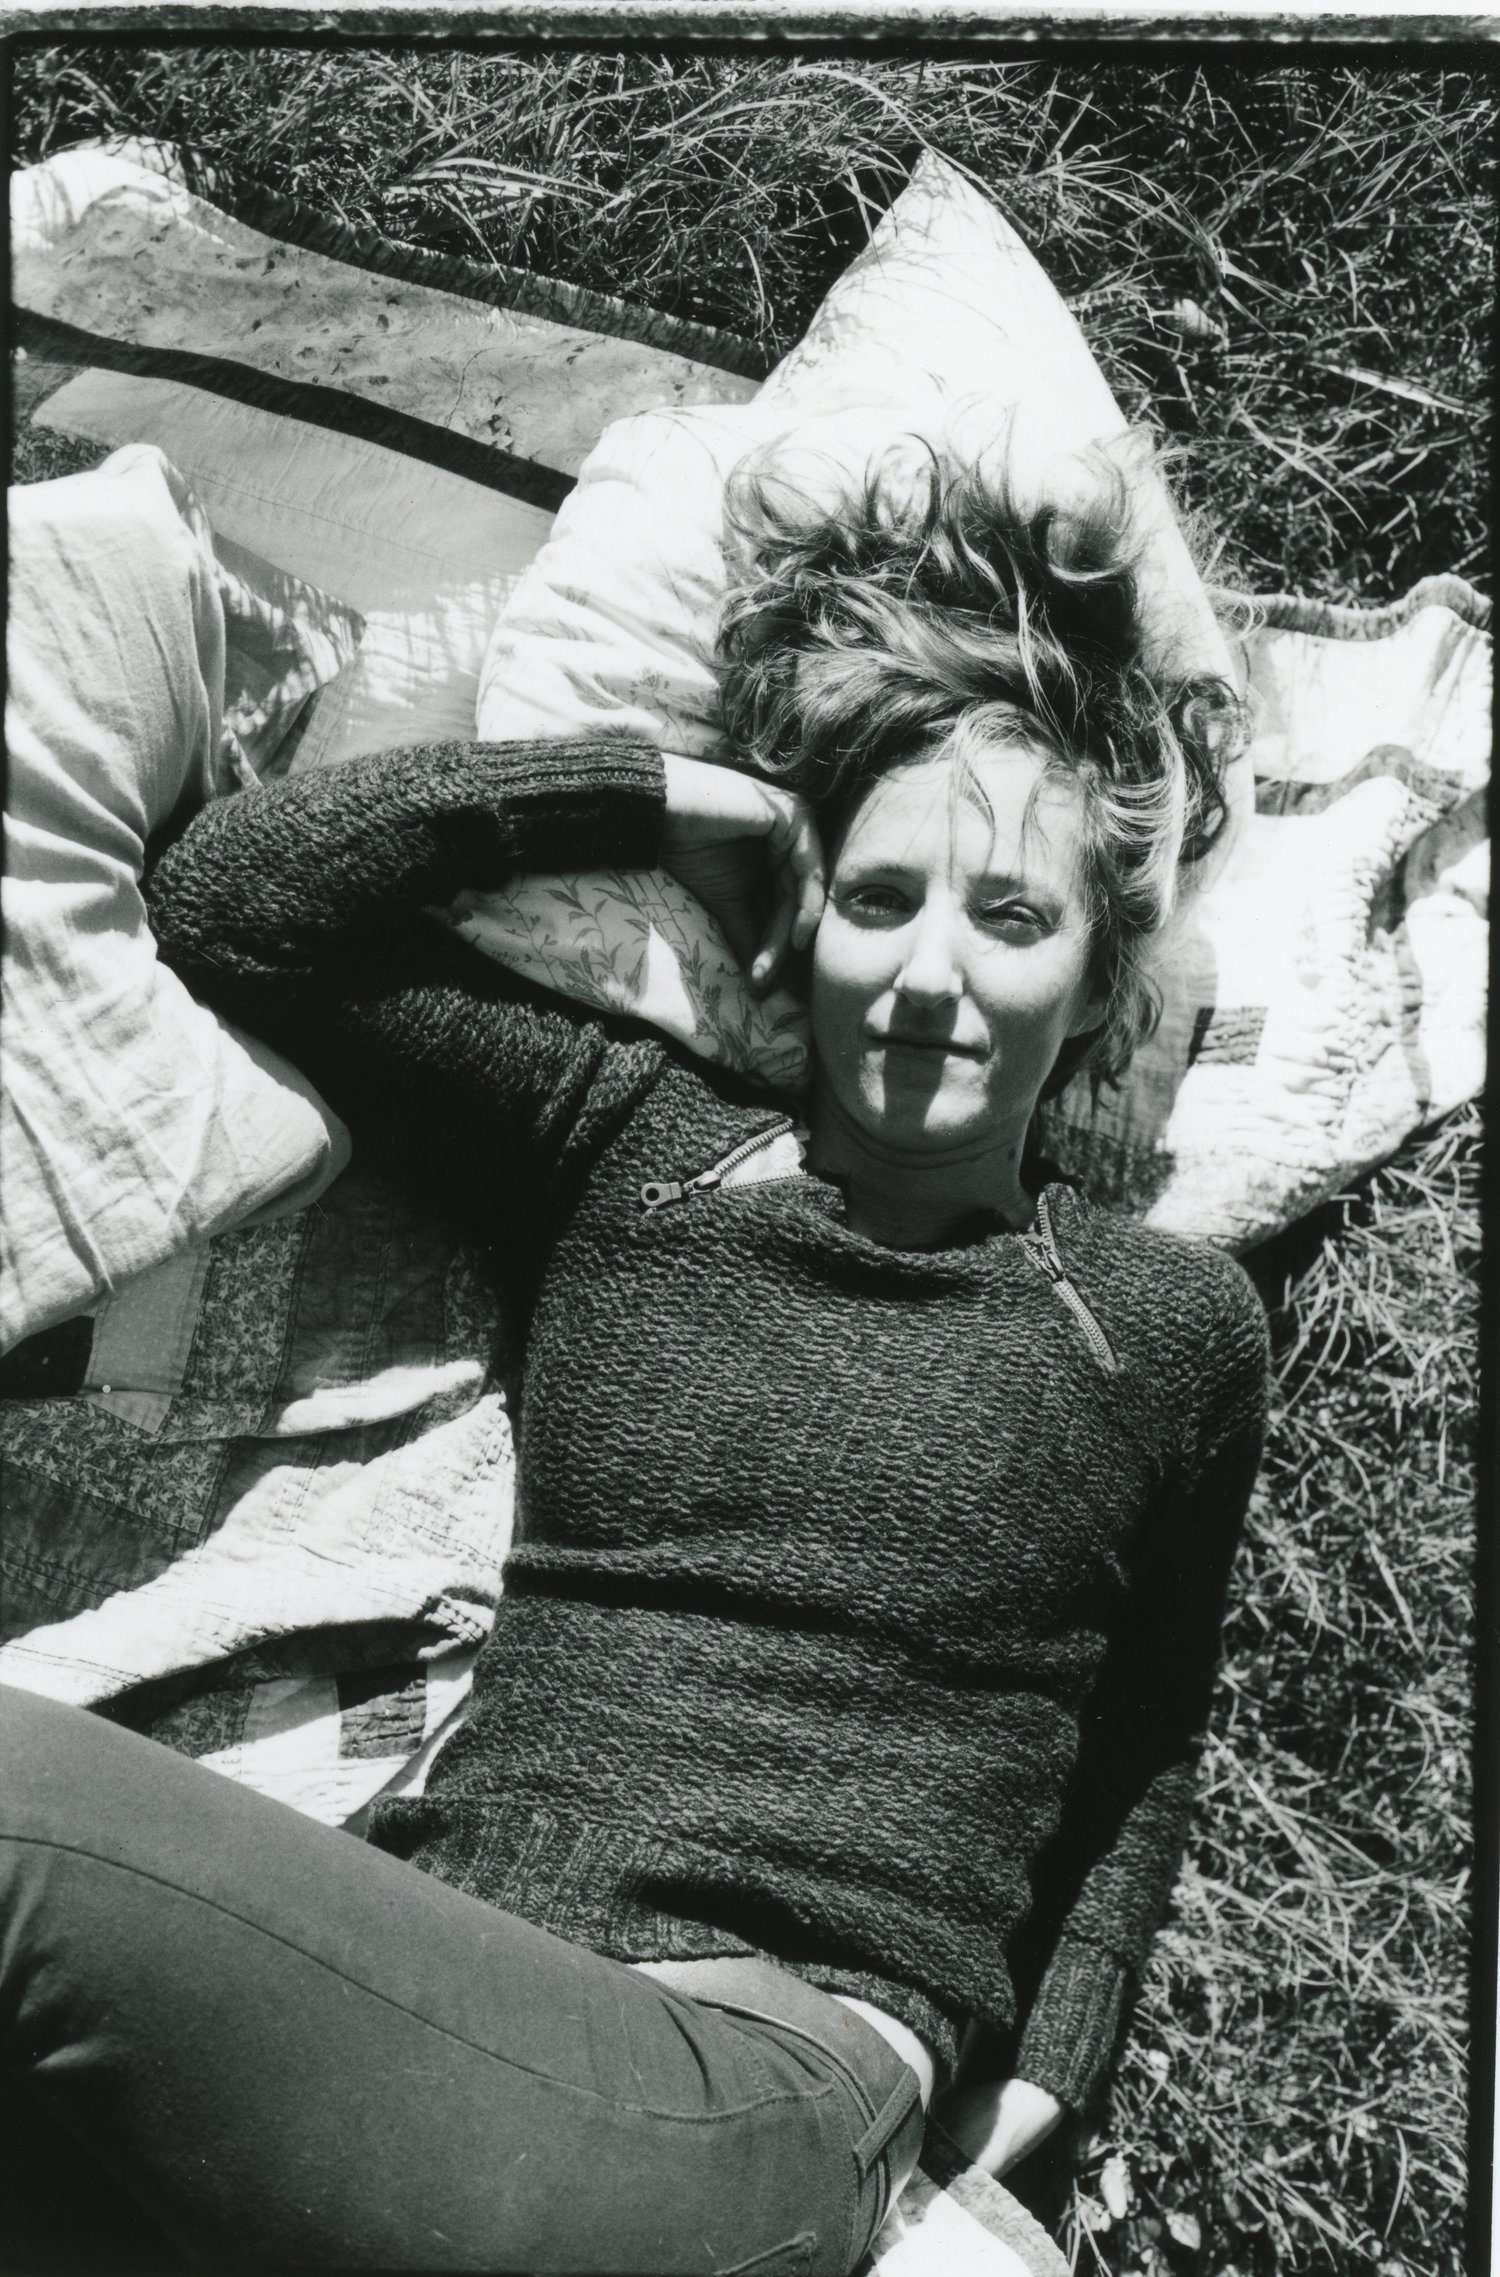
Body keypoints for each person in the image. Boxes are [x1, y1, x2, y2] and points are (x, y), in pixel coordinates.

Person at [0, 441, 1269, 2277]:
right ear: (803, 914)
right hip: (433, 2041)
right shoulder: (632, 1149)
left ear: (1093, 976)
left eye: (1011, 920)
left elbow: (1145, 1733)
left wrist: (1027, 2107)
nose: (930, 975)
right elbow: (240, 906)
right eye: (880, 894)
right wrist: (661, 800)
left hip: (757, 2087)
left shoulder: (1162, 1324)